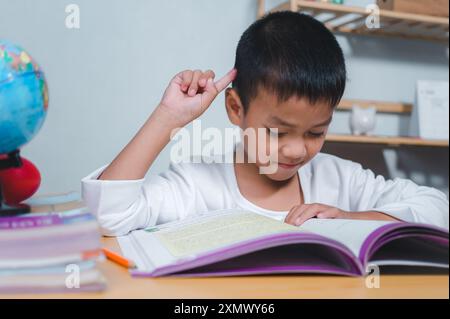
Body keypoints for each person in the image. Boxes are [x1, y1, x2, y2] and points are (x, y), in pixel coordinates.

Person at [82, 12, 449, 236]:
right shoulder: (197, 184)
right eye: (277, 132)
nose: (296, 149)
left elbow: (436, 207)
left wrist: (354, 218)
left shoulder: (340, 180)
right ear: (235, 108)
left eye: (316, 132)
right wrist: (168, 117)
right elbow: (105, 217)